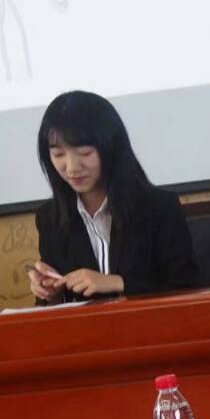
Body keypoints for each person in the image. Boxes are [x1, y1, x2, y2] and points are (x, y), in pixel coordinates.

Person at [29, 90, 197, 303]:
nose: (71, 168)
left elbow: (187, 289)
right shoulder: (49, 219)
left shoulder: (160, 208)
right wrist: (50, 292)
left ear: (111, 148)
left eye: (85, 153)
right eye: (58, 154)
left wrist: (118, 283)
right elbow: (54, 309)